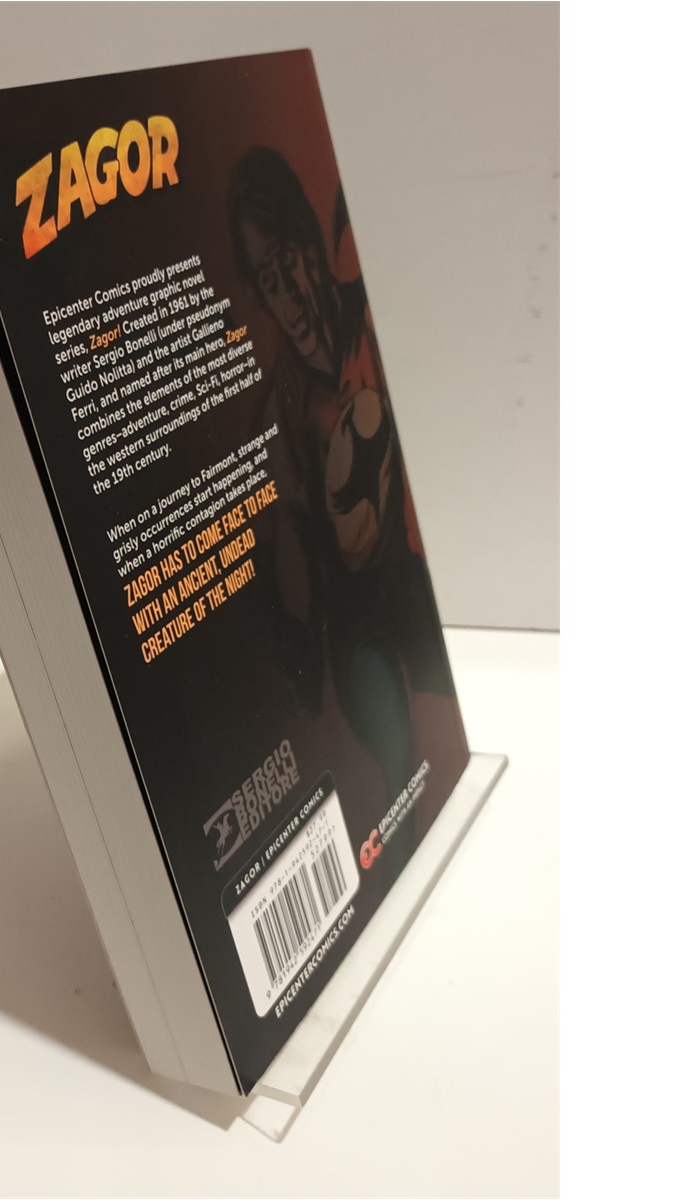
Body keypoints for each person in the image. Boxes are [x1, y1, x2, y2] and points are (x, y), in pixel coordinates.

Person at [227, 147, 455, 809]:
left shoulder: (370, 317)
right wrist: (296, 651)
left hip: (412, 580)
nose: (288, 293)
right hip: (357, 629)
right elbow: (287, 567)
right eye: (267, 277)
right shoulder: (279, 418)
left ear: (309, 238)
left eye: (288, 257)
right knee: (401, 773)